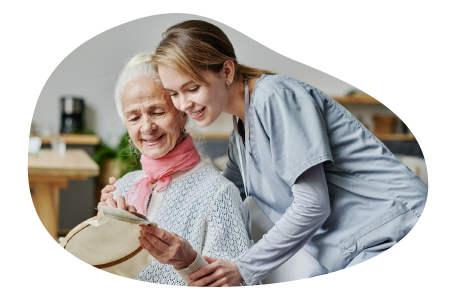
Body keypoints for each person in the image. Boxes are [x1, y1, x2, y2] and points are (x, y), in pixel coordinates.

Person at [103, 20, 428, 287]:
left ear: (226, 72)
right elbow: (209, 191)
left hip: (402, 235)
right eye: (174, 94)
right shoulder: (241, 134)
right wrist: (130, 209)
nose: (184, 104)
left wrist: (243, 268)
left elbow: (313, 204)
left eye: (192, 88)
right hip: (358, 249)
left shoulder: (276, 97)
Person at [98, 52, 251, 286]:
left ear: (183, 113)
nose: (147, 127)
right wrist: (102, 224)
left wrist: (188, 261)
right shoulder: (124, 185)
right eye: (134, 117)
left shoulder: (218, 194)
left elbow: (239, 284)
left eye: (157, 112)